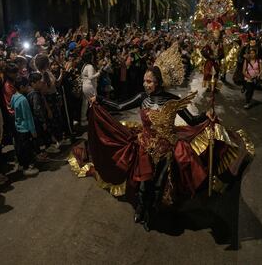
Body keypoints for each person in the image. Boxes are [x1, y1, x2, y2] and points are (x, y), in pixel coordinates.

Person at [71, 43, 252, 232]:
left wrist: (206, 115)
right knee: (143, 183)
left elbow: (191, 120)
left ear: (159, 82)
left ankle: (151, 212)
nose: (145, 84)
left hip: (167, 150)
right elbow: (119, 106)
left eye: (149, 82)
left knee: (158, 185)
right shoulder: (143, 97)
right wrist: (99, 100)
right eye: (144, 81)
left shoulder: (172, 100)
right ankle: (141, 209)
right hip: (145, 146)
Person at [11, 78, 39, 176]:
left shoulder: (14, 97)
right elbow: (28, 117)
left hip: (18, 126)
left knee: (22, 148)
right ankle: (27, 167)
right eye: (27, 86)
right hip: (25, 128)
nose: (29, 87)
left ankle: (25, 165)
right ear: (22, 87)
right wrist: (33, 130)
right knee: (27, 148)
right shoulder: (23, 100)